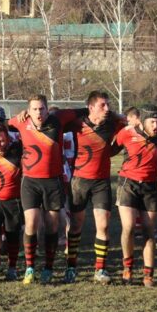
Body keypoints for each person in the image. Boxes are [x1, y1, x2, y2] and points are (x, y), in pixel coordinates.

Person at [60, 91, 126, 285]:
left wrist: (109, 151)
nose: (107, 109)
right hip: (79, 181)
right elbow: (57, 116)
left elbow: (124, 136)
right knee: (76, 225)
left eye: (108, 105)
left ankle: (100, 269)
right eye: (102, 105)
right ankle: (71, 267)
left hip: (101, 182)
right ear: (90, 107)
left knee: (103, 225)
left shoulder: (112, 124)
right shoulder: (76, 123)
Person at [9, 94, 68, 285]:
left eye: (41, 108)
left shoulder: (57, 121)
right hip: (30, 182)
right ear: (28, 110)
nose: (38, 112)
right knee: (31, 223)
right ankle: (30, 267)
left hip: (53, 182)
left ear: (47, 108)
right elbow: (0, 125)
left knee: (52, 225)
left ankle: (48, 268)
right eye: (34, 109)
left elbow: (83, 113)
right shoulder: (20, 122)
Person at [115, 104, 157, 286]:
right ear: (142, 121)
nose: (155, 125)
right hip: (127, 183)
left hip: (150, 186)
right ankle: (128, 268)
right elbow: (111, 147)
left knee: (148, 229)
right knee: (128, 227)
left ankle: (148, 274)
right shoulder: (127, 133)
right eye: (152, 121)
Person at [0, 121, 23, 281]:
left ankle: (12, 268)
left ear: (7, 138)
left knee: (12, 235)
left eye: (1, 140)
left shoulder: (18, 149)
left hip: (13, 201)